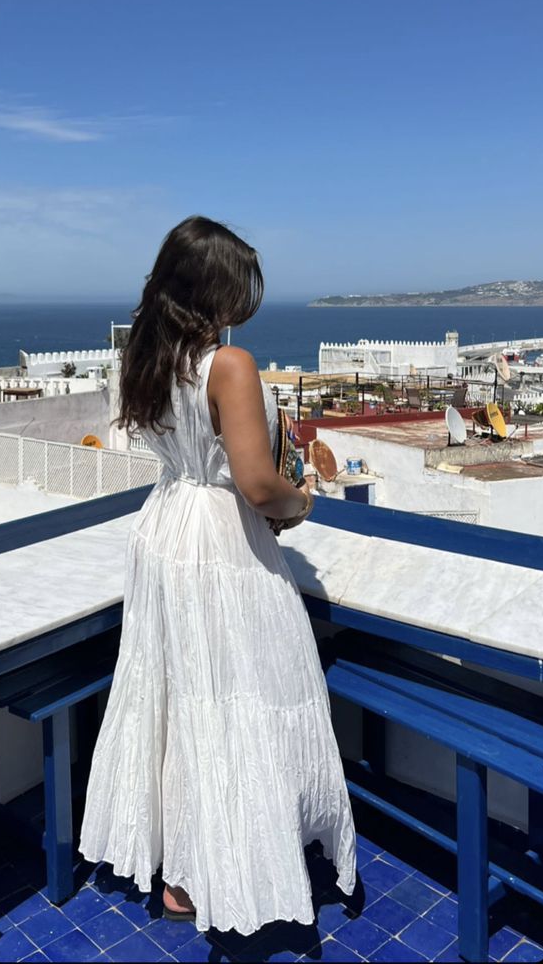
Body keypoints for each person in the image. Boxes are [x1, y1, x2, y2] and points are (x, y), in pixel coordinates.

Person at [79, 216, 356, 935]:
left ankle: (181, 869)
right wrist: (302, 504)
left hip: (167, 525)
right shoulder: (227, 366)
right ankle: (228, 867)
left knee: (178, 695)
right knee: (243, 692)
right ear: (214, 290)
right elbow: (260, 488)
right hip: (218, 542)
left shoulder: (146, 360)